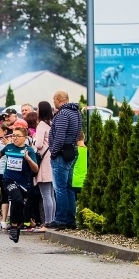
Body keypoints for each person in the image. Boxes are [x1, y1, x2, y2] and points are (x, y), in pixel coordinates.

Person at [0, 128, 39, 243]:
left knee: (20, 204)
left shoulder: (29, 150)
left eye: (18, 136)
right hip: (8, 180)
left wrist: (28, 159)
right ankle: (14, 227)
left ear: (25, 138)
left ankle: (17, 224)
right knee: (16, 199)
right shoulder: (9, 147)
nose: (14, 138)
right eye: (13, 135)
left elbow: (36, 169)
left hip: (24, 184)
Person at [47, 90, 82, 230]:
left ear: (58, 99)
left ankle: (61, 219)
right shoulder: (76, 112)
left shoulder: (63, 114)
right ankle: (70, 220)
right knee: (68, 188)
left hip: (61, 154)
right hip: (71, 152)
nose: (53, 102)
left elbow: (60, 136)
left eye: (54, 99)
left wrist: (53, 152)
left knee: (60, 188)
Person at [33, 101, 55, 232]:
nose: (36, 111)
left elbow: (39, 144)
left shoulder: (41, 125)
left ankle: (47, 223)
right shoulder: (51, 124)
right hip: (51, 160)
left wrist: (34, 139)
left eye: (38, 109)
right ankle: (52, 222)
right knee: (51, 194)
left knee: (46, 194)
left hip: (44, 162)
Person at [72, 131, 88, 201]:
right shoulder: (88, 151)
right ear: (83, 138)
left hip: (74, 182)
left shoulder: (74, 151)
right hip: (85, 182)